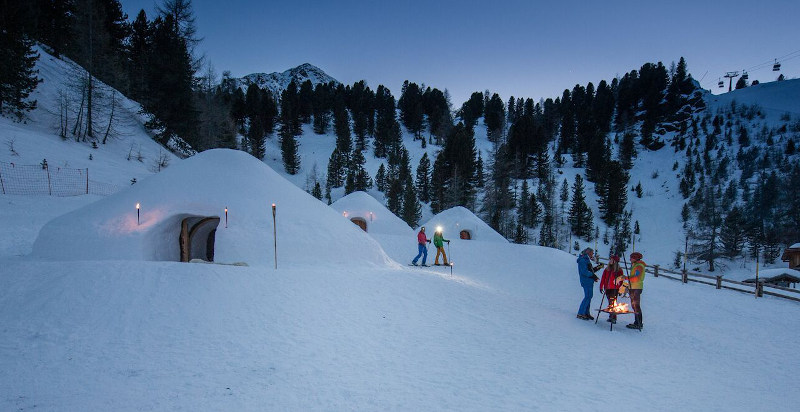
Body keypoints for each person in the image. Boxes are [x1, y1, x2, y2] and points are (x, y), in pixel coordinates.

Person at [576, 248, 602, 320]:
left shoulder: (586, 260)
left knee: (589, 296)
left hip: (589, 281)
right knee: (588, 296)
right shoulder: (582, 260)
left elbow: (590, 270)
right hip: (586, 281)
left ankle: (586, 312)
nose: (592, 255)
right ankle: (581, 313)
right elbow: (584, 272)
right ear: (588, 252)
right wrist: (593, 276)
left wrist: (598, 267)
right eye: (592, 253)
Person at [599, 255, 624, 324]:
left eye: (611, 260)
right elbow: (603, 278)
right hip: (607, 288)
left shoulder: (618, 270)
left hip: (614, 288)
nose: (610, 261)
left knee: (612, 302)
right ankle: (611, 315)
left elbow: (621, 279)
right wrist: (601, 286)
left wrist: (619, 287)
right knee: (610, 302)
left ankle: (613, 316)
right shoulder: (607, 269)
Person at [625, 252, 646, 329]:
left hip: (636, 288)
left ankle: (639, 323)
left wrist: (626, 278)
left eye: (631, 258)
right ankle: (637, 322)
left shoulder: (639, 266)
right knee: (634, 306)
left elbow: (636, 277)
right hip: (633, 287)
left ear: (635, 258)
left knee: (636, 305)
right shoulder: (636, 265)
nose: (630, 259)